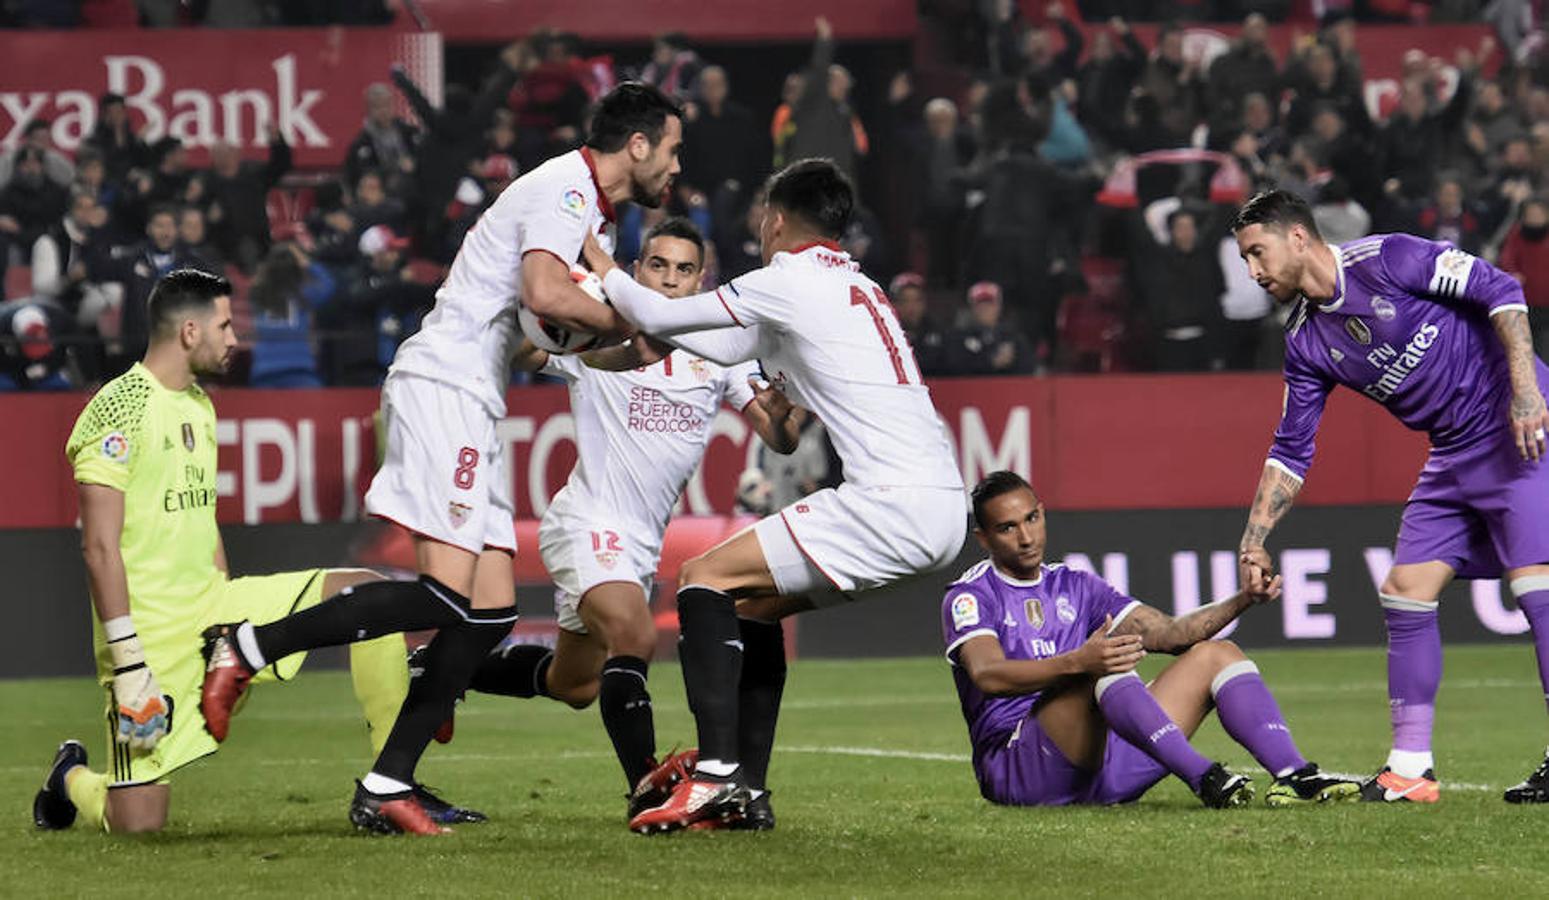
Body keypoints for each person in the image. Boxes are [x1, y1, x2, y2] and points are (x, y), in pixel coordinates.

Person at [197, 82, 682, 836]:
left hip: (476, 395)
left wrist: (628, 345)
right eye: (673, 149)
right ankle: (248, 644)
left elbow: (534, 338)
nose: (676, 167)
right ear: (640, 144)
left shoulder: (596, 220)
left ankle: (386, 784)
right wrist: (639, 314)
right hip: (443, 385)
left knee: (487, 616)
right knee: (448, 597)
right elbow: (546, 291)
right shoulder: (565, 185)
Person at [579, 158, 967, 833]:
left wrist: (589, 249)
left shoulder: (787, 280)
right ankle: (748, 793)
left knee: (701, 579)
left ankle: (717, 776)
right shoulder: (853, 285)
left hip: (888, 501)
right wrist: (604, 352)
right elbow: (669, 341)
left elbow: (650, 309)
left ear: (775, 219)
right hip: (939, 505)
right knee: (751, 608)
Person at [28, 269, 463, 834]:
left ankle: (392, 784)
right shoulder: (117, 410)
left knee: (366, 590)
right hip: (149, 638)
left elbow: (202, 518)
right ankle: (69, 775)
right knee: (137, 824)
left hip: (217, 608)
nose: (235, 339)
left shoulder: (198, 405)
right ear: (189, 331)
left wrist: (225, 596)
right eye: (226, 325)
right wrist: (129, 661)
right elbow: (98, 546)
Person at [458, 217, 803, 823]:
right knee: (637, 638)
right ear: (638, 270)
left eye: (684, 270)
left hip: (638, 544)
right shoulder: (599, 325)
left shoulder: (714, 350)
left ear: (702, 279)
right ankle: (647, 788)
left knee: (575, 684)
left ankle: (440, 669)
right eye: (658, 266)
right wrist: (545, 312)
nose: (669, 280)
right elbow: (525, 350)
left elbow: (779, 438)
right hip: (588, 521)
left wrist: (792, 401)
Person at [1230, 189, 1549, 804]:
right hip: (1452, 454)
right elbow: (1292, 449)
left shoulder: (1390, 259)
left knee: (1537, 586)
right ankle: (1410, 769)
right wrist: (1254, 538)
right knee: (1405, 590)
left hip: (1516, 430)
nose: (1253, 271)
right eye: (1245, 259)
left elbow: (1501, 288)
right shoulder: (1303, 342)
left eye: (1257, 252)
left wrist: (1526, 390)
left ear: (1298, 237)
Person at [945, 471, 1357, 809]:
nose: (1026, 537)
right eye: (1007, 528)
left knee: (1218, 655)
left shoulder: (1076, 585)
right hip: (1022, 770)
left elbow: (1172, 634)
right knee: (1101, 668)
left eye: (1032, 519)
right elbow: (988, 675)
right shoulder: (972, 595)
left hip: (1104, 768)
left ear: (1043, 513)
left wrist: (1244, 599)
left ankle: (1295, 776)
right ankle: (1203, 776)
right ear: (983, 538)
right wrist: (1079, 662)